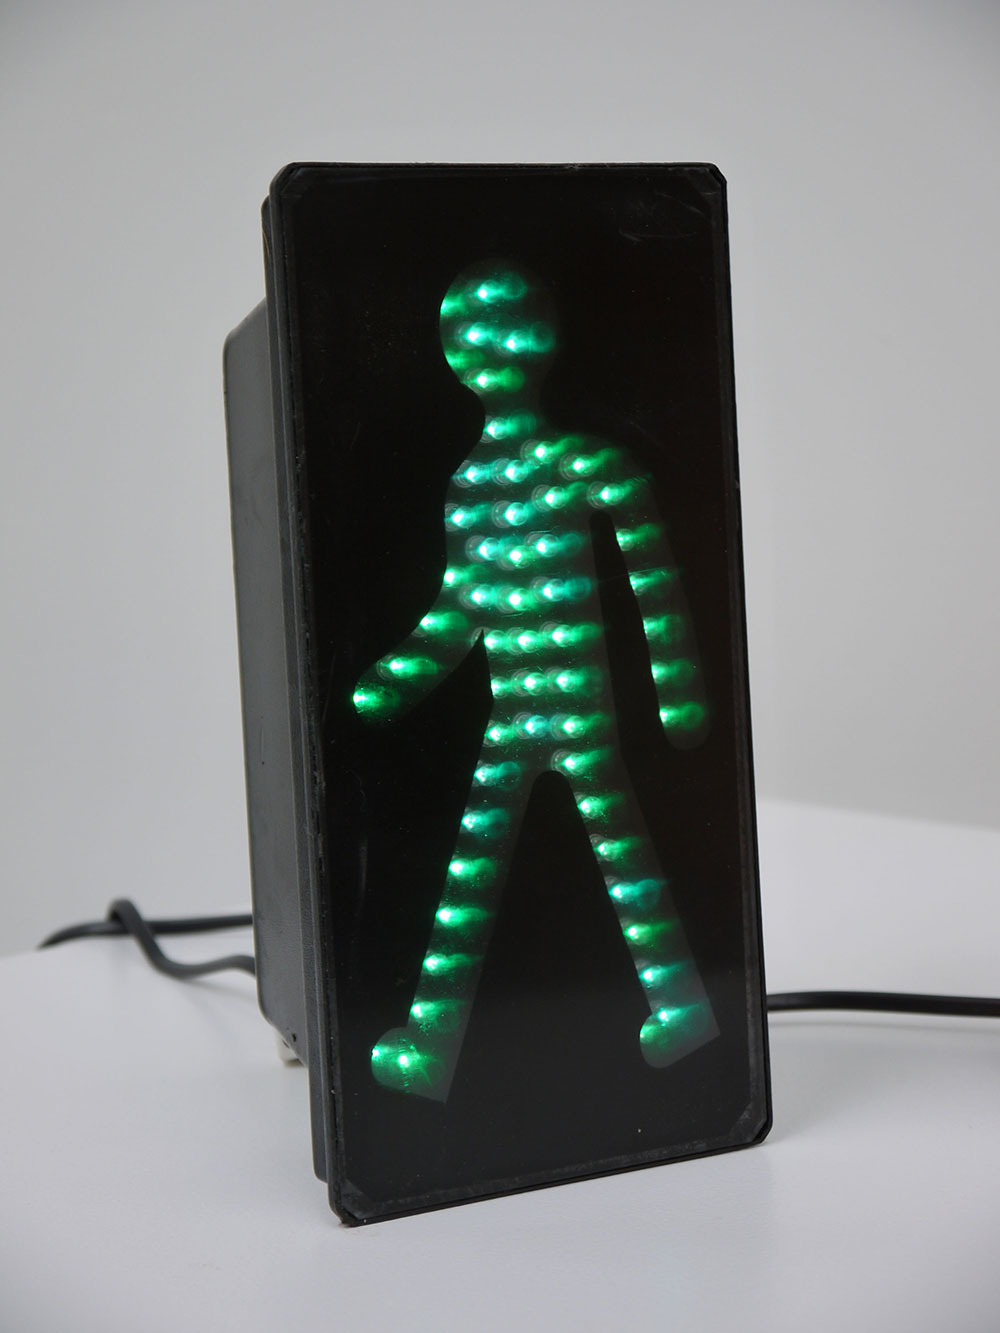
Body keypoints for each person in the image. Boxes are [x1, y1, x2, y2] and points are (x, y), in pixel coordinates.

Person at [355, 261, 718, 1100]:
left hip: (570, 707)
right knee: (500, 865)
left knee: (585, 857)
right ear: (457, 357)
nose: (495, 349)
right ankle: (443, 1040)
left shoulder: (585, 462)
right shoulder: (472, 485)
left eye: (509, 330)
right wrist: (392, 680)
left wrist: (678, 691)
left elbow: (651, 577)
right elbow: (462, 608)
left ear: (542, 339)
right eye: (476, 336)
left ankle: (678, 1008)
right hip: (518, 708)